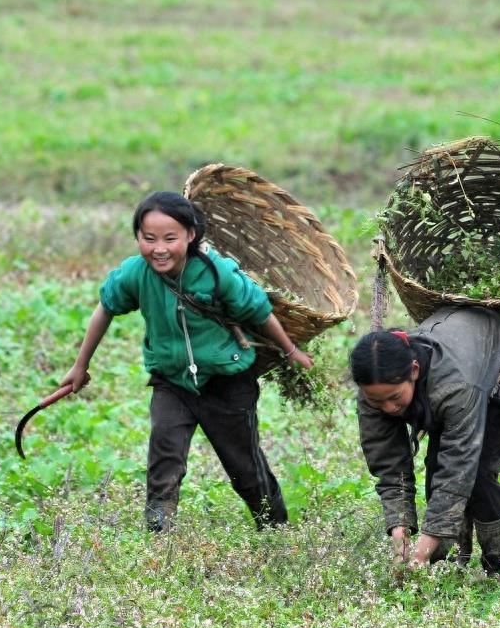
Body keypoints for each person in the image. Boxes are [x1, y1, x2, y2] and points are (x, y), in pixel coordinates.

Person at [60, 191, 312, 532]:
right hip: (172, 382)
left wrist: (290, 350)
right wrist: (80, 365)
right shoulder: (135, 273)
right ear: (138, 237)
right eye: (148, 239)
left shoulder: (216, 273)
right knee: (164, 460)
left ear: (191, 235)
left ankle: (275, 528)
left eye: (170, 238)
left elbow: (259, 311)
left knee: (245, 467)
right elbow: (106, 307)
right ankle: (159, 532)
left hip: (227, 383)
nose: (159, 248)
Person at [351, 307, 500, 579]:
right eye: (377, 401)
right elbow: (388, 463)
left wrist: (421, 550)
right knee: (436, 468)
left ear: (414, 371)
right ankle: (447, 567)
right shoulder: (374, 390)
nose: (388, 407)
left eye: (395, 397)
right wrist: (400, 531)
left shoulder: (456, 386)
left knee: (476, 475)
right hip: (461, 367)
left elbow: (458, 467)